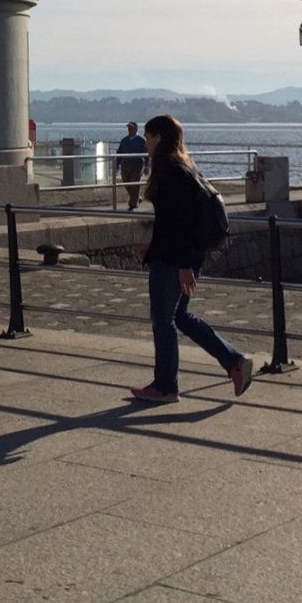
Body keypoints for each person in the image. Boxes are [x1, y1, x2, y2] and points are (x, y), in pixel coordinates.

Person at [131, 114, 253, 404]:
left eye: (148, 137)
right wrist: (152, 247)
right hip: (180, 255)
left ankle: (165, 386)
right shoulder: (184, 167)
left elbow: (181, 223)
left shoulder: (171, 171)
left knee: (163, 321)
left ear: (159, 138)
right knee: (181, 317)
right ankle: (234, 362)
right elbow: (172, 223)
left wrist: (184, 265)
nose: (146, 143)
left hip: (175, 261)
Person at [115, 120, 148, 211]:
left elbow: (146, 154)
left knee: (134, 183)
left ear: (135, 129)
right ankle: (137, 198)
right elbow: (119, 152)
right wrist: (117, 164)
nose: (129, 129)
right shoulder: (124, 140)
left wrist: (147, 166)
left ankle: (133, 205)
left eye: (131, 128)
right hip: (125, 165)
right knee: (126, 182)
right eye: (128, 128)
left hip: (137, 165)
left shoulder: (141, 140)